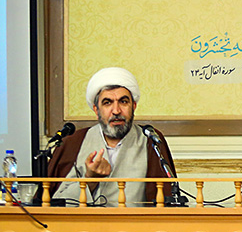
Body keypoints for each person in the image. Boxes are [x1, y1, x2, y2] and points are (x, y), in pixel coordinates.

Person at [49, 67, 175, 206]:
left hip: (134, 220)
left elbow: (165, 200)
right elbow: (56, 203)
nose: (116, 111)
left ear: (133, 106)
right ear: (96, 109)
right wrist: (90, 179)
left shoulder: (149, 140)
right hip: (86, 220)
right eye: (107, 103)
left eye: (123, 102)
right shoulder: (74, 142)